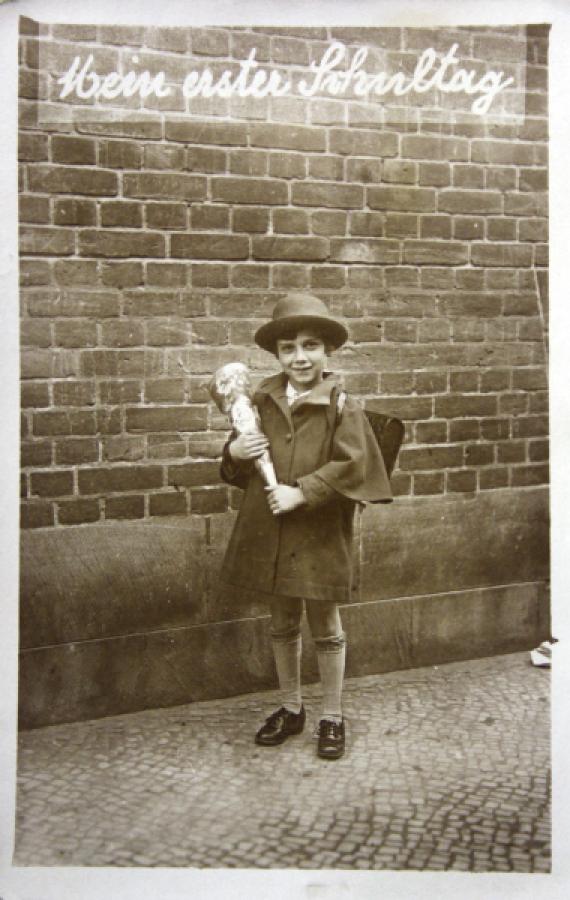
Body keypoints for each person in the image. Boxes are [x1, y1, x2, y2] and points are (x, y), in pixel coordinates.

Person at [219, 293, 393, 760]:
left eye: (310, 345)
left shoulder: (341, 403)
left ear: (327, 351)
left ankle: (332, 715)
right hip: (271, 529)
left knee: (325, 622)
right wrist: (234, 453)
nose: (300, 356)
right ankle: (291, 706)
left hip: (316, 530)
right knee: (281, 620)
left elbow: (356, 464)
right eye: (288, 348)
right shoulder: (259, 400)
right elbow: (240, 461)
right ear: (276, 355)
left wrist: (305, 490)